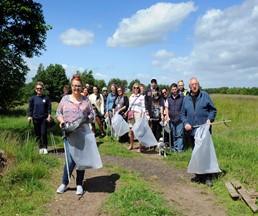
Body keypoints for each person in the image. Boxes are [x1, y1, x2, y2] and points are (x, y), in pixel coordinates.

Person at [56, 75, 102, 195]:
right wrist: (61, 122)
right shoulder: (65, 99)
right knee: (70, 160)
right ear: (71, 86)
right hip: (68, 134)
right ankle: (64, 183)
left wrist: (87, 118)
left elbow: (92, 114)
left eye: (78, 86)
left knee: (81, 160)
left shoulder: (85, 100)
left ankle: (79, 184)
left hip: (82, 134)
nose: (76, 88)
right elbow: (58, 113)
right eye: (74, 85)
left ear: (81, 87)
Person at [180, 77, 217, 186]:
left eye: (196, 84)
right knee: (195, 153)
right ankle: (199, 175)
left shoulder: (205, 95)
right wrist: (185, 123)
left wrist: (210, 119)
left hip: (204, 131)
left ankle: (207, 177)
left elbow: (213, 110)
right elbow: (182, 114)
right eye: (192, 85)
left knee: (205, 153)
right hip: (191, 131)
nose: (194, 86)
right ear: (189, 86)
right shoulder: (186, 99)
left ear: (198, 85)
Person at [28, 81, 51, 154]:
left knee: (43, 133)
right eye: (37, 88)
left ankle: (45, 147)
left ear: (42, 89)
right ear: (35, 89)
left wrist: (49, 116)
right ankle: (40, 147)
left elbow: (49, 108)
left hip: (44, 119)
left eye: (40, 88)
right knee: (37, 134)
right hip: (35, 118)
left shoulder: (46, 98)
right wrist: (29, 116)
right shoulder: (33, 98)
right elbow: (30, 108)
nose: (39, 90)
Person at [125, 83, 146, 151]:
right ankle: (131, 145)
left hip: (138, 114)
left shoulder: (141, 97)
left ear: (139, 89)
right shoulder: (131, 97)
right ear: (132, 89)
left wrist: (142, 114)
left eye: (137, 88)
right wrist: (126, 112)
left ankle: (140, 146)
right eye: (134, 88)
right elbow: (129, 106)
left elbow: (143, 107)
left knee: (139, 131)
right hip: (131, 114)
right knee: (131, 131)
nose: (136, 89)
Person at [167, 83, 184, 152]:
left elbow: (184, 108)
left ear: (177, 89)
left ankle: (179, 150)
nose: (174, 91)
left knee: (179, 135)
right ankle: (174, 149)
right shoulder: (168, 98)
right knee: (173, 135)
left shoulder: (182, 98)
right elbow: (167, 108)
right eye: (172, 89)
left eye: (175, 89)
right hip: (171, 120)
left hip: (179, 119)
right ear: (171, 90)